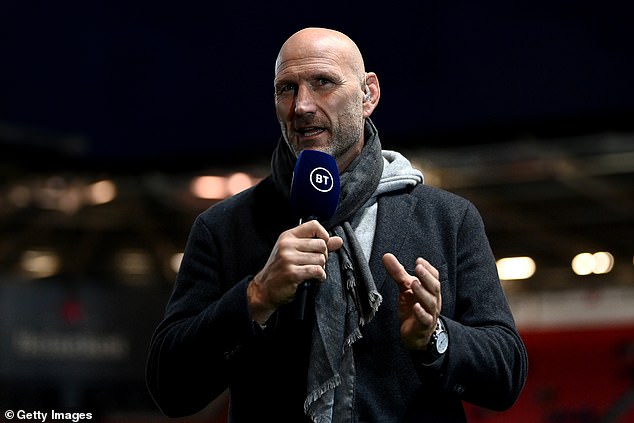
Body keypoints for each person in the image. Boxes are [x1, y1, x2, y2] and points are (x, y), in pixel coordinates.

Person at [146, 27, 528, 423]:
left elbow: (507, 377)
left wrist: (434, 338)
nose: (302, 106)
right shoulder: (223, 227)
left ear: (369, 95)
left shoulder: (448, 219)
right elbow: (170, 389)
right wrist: (256, 297)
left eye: (322, 83)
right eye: (286, 89)